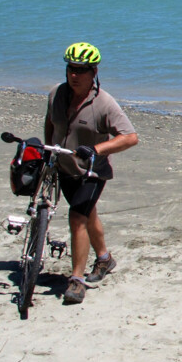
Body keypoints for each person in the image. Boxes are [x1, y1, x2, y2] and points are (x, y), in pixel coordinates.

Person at [45, 42, 139, 305]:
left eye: (81, 70)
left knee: (77, 217)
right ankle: (105, 259)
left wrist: (96, 148)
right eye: (70, 69)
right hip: (64, 169)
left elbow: (130, 137)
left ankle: (76, 280)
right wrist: (50, 154)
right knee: (88, 215)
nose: (74, 75)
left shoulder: (105, 104)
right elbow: (50, 123)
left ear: (93, 72)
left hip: (92, 173)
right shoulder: (56, 94)